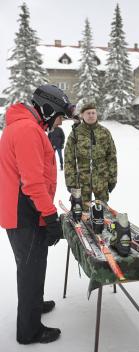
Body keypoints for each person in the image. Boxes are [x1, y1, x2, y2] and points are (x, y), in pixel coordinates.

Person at [0, 84, 76, 344]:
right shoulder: (27, 130)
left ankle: (34, 303)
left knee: (35, 263)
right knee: (30, 268)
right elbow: (32, 182)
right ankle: (29, 331)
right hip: (25, 212)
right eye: (59, 116)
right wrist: (51, 216)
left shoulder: (27, 127)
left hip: (25, 208)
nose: (60, 122)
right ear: (47, 110)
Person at [64, 103, 117, 215]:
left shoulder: (104, 132)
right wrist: (70, 181)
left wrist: (112, 178)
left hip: (101, 178)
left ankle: (102, 228)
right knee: (82, 211)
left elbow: (111, 156)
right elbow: (69, 158)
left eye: (93, 113)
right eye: (88, 113)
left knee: (102, 210)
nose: (91, 115)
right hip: (82, 179)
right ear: (82, 115)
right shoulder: (76, 133)